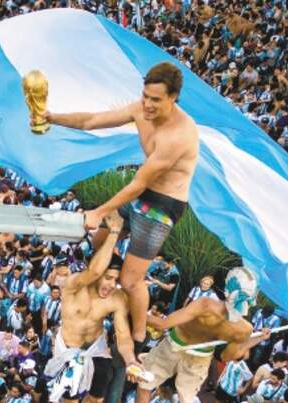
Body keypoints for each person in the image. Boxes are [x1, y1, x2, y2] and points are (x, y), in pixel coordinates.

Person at [46, 62, 199, 347]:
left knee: (131, 280)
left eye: (155, 99)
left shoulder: (179, 134)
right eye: (145, 96)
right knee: (99, 240)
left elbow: (139, 182)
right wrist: (52, 117)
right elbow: (92, 120)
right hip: (141, 194)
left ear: (173, 97)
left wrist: (100, 211)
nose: (148, 104)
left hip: (163, 205)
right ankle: (105, 284)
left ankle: (139, 332)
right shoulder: (140, 109)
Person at [135, 267, 269, 403]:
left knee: (145, 383)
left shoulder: (205, 304)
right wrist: (254, 339)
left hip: (174, 345)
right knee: (186, 401)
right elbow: (225, 357)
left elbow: (162, 324)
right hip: (199, 358)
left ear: (227, 289)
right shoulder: (245, 328)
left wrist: (133, 308)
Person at [44, 211, 141, 403]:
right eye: (108, 278)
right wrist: (114, 232)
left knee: (98, 397)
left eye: (115, 280)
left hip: (95, 347)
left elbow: (123, 336)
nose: (110, 284)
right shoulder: (74, 285)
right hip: (69, 347)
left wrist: (131, 361)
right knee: (70, 398)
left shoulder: (117, 298)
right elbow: (95, 271)